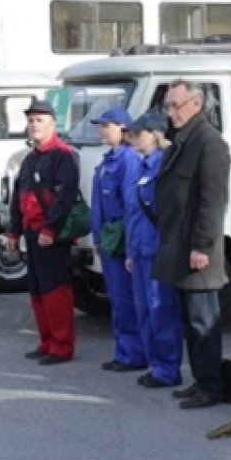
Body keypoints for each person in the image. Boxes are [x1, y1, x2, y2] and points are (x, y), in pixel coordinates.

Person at [154, 80, 231, 410]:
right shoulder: (183, 140)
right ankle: (200, 380)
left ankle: (211, 386)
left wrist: (202, 245)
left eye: (176, 106)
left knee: (204, 322)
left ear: (196, 105)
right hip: (178, 244)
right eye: (168, 107)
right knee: (189, 320)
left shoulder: (209, 143)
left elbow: (213, 201)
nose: (171, 113)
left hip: (197, 250)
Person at [6, 98, 81, 364]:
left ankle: (62, 346)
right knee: (37, 291)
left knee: (55, 291)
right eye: (31, 120)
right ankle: (47, 341)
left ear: (53, 124)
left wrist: (50, 229)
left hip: (50, 236)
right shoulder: (30, 158)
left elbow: (65, 197)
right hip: (31, 233)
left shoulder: (63, 155)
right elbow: (18, 198)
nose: (34, 125)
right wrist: (13, 232)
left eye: (39, 120)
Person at [125, 110, 183, 389]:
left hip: (156, 250)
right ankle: (155, 363)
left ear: (155, 135)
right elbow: (133, 213)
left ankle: (167, 368)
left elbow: (167, 212)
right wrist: (130, 251)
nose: (133, 138)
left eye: (139, 133)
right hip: (140, 249)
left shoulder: (162, 166)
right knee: (144, 310)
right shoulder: (142, 165)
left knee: (162, 310)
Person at [90, 106, 146, 372]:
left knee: (126, 298)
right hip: (109, 237)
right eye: (101, 126)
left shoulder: (128, 160)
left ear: (123, 129)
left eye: (107, 126)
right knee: (116, 297)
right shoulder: (107, 160)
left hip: (121, 237)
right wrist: (98, 237)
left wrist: (127, 244)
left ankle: (133, 354)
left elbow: (130, 206)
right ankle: (123, 351)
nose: (102, 130)